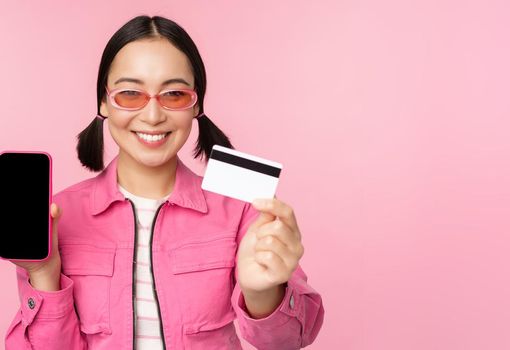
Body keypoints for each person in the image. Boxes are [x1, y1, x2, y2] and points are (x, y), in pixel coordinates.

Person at [3, 15, 324, 350]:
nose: (153, 115)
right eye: (130, 93)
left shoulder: (242, 208)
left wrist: (263, 293)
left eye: (173, 94)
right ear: (103, 102)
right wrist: (43, 274)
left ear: (196, 103)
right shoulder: (57, 214)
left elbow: (290, 340)